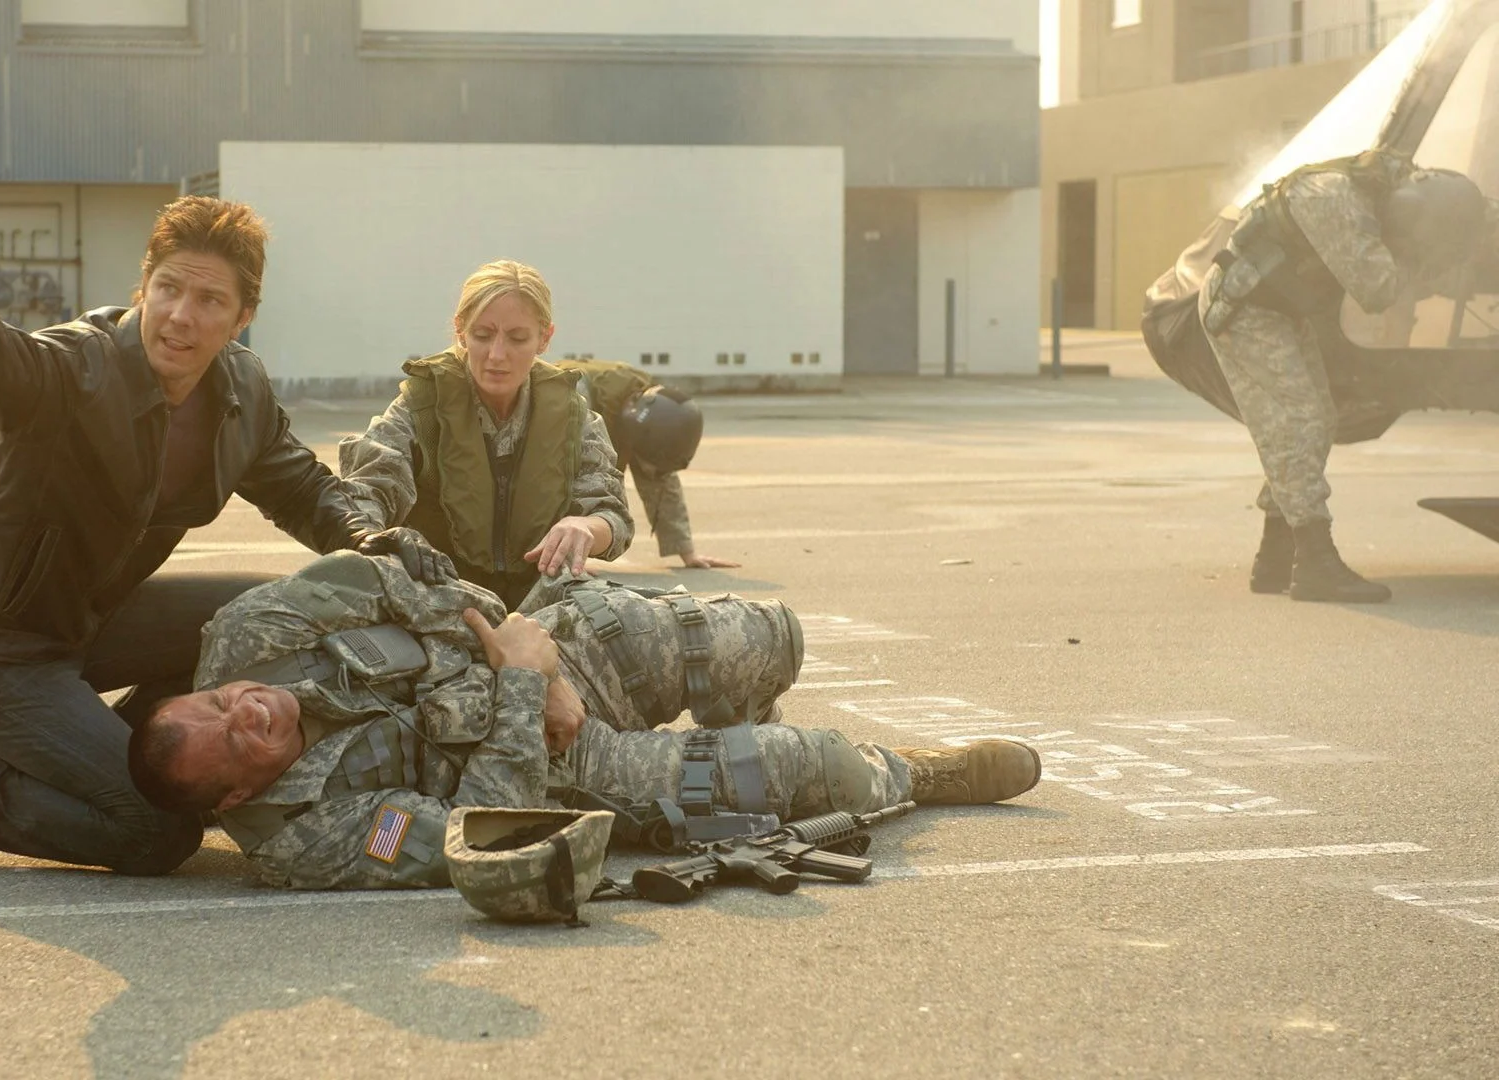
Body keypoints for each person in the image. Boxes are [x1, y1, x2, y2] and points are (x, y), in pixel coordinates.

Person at [0, 197, 453, 876]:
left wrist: (366, 533)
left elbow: (302, 489)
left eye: (209, 299)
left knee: (275, 618)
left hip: (92, 615)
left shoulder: (242, 394)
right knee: (154, 828)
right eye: (169, 288)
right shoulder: (76, 368)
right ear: (143, 285)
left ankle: (92, 748)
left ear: (243, 317)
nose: (181, 315)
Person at [126, 551, 1042, 890]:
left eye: (219, 701)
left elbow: (421, 587)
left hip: (549, 656)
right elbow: (484, 832)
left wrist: (529, 659)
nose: (247, 708)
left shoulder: (253, 632)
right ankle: (912, 772)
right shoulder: (297, 839)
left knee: (770, 635)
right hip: (568, 770)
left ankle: (745, 726)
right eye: (237, 735)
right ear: (239, 792)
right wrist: (527, 700)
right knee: (815, 774)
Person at [1200, 153, 1490, 602]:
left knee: (1321, 421)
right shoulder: (1332, 197)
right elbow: (1376, 289)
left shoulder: (1373, 191)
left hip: (1278, 309)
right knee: (1301, 423)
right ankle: (1315, 561)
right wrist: (1432, 272)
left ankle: (1274, 557)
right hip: (1244, 309)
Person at [339, 260, 633, 610]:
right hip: (438, 598)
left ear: (545, 338)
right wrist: (378, 537)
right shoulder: (420, 408)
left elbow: (612, 516)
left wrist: (585, 527)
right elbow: (367, 490)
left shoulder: (572, 415)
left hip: (540, 606)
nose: (497, 355)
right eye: (482, 335)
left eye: (517, 338)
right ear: (460, 330)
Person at [558, 358, 739, 569]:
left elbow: (660, 479)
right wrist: (568, 558)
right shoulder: (572, 399)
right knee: (577, 473)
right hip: (557, 428)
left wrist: (686, 551)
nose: (651, 470)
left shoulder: (651, 406)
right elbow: (548, 477)